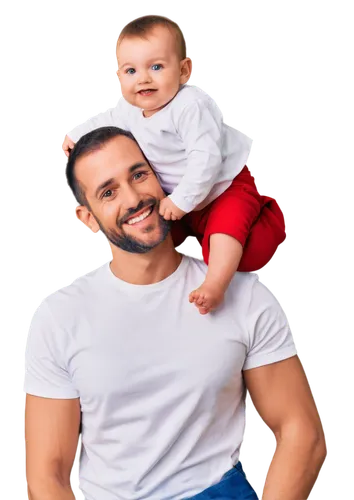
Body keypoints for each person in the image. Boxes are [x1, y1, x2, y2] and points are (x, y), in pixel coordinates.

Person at [23, 126, 327, 500]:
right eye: (109, 191)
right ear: (87, 218)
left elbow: (303, 433)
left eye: (139, 174)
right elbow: (46, 474)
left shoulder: (241, 293)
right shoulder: (59, 317)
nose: (134, 198)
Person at [61, 13, 288, 315]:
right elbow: (106, 120)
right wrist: (74, 135)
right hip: (181, 197)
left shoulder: (189, 106)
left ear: (184, 70)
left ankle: (215, 285)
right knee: (155, 234)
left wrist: (181, 201)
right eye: (130, 70)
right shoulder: (131, 108)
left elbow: (206, 160)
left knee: (226, 235)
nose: (143, 78)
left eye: (156, 67)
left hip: (224, 187)